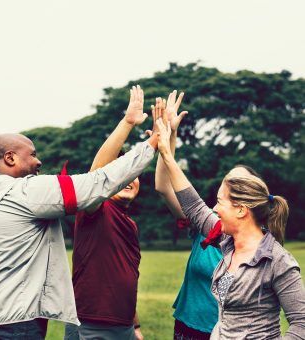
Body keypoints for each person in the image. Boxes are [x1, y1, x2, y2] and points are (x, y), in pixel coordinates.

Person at [0, 86, 159, 339]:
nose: (39, 162)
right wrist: (153, 141)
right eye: (32, 155)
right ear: (10, 158)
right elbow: (97, 182)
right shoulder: (27, 190)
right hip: (14, 323)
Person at [154, 97, 305, 339]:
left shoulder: (278, 262)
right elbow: (193, 205)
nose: (214, 208)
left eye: (220, 202)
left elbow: (301, 324)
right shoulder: (226, 243)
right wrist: (166, 150)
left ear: (241, 209)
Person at [155, 92, 261, 340]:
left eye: (240, 185)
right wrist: (169, 134)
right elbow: (163, 186)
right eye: (229, 182)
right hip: (188, 326)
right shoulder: (205, 221)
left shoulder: (259, 244)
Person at [64, 87, 151, 340]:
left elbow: (126, 276)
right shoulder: (96, 208)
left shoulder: (129, 224)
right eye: (118, 175)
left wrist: (134, 325)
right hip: (90, 325)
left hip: (123, 325)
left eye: (132, 176)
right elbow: (96, 176)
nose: (127, 181)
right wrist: (127, 123)